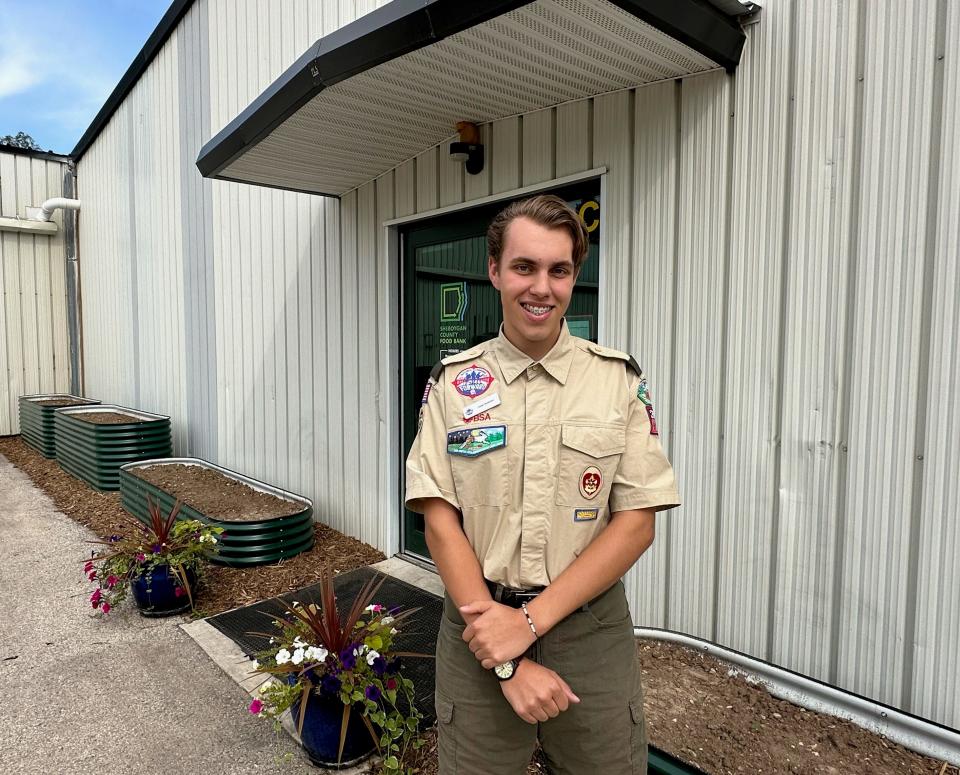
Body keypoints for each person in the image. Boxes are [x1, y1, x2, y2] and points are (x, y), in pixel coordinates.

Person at [405, 194, 681, 774]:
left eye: (559, 270)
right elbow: (439, 520)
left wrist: (529, 624)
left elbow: (637, 523)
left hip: (590, 633)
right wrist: (504, 656)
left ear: (575, 276)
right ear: (495, 271)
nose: (541, 287)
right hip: (478, 625)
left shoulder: (616, 382)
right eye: (524, 267)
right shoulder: (454, 385)